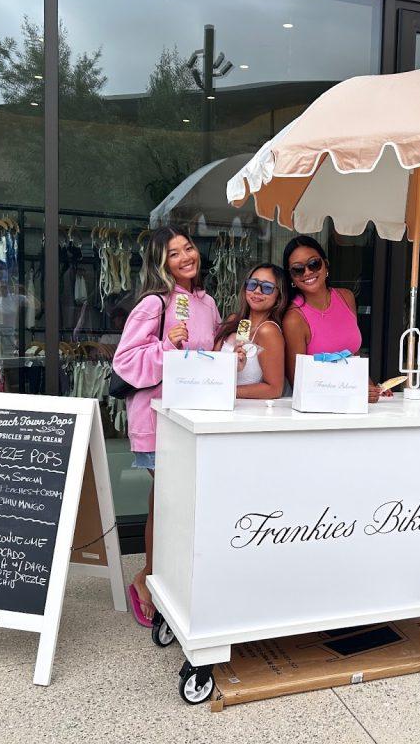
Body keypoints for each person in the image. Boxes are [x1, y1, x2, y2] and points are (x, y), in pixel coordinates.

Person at [112, 226, 221, 626]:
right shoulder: (154, 304)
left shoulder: (207, 302)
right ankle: (147, 580)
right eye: (173, 254)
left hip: (194, 417)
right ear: (162, 263)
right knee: (169, 502)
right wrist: (165, 346)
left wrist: (233, 357)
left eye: (188, 248)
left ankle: (163, 580)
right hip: (158, 420)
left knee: (174, 502)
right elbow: (125, 362)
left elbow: (206, 357)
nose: (185, 257)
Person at [281, 235, 386, 403]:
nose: (307, 272)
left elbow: (353, 356)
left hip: (354, 405)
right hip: (320, 411)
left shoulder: (346, 297)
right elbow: (299, 383)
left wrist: (370, 388)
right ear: (291, 277)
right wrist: (354, 393)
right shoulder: (294, 319)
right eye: (298, 269)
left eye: (314, 264)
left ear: (326, 264)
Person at [214, 264, 287, 399]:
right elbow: (213, 367)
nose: (257, 291)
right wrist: (232, 365)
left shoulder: (268, 331)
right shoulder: (233, 320)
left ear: (279, 296)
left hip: (244, 412)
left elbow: (274, 389)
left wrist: (222, 390)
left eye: (267, 288)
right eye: (252, 284)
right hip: (215, 405)